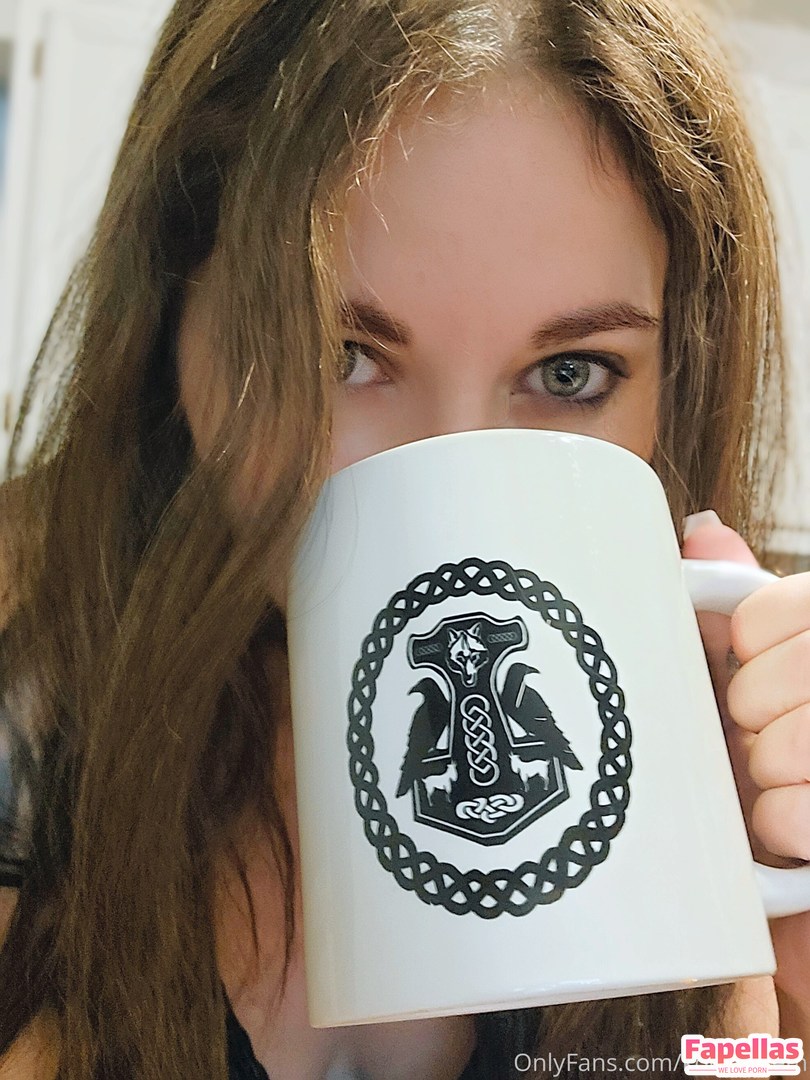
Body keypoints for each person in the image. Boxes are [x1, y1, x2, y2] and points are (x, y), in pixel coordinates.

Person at [1, 0, 810, 1076]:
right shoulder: (29, 690)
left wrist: (778, 995)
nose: (450, 483)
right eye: (337, 353)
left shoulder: (730, 744)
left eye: (572, 373)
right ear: (169, 326)